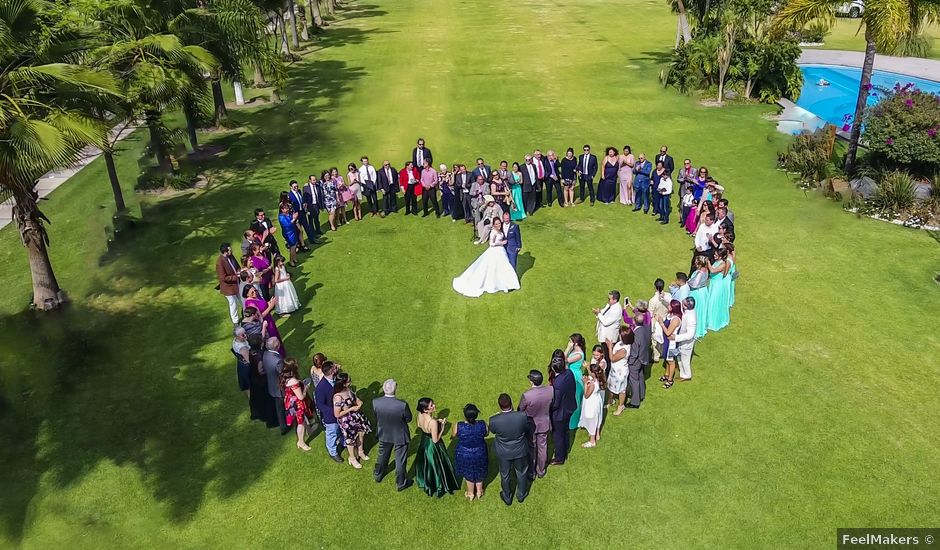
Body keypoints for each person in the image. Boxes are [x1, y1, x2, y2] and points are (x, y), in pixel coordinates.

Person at [453, 217, 520, 297]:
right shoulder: (493, 232)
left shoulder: (500, 230)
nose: (498, 225)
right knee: (494, 268)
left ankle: (507, 283)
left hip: (501, 251)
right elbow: (491, 244)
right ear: (494, 225)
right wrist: (501, 243)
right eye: (496, 224)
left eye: (499, 223)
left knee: (503, 267)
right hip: (495, 251)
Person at [488, 394, 532, 506]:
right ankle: (521, 495)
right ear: (511, 403)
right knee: (521, 472)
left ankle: (507, 497)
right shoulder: (522, 416)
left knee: (505, 474)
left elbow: (492, 431)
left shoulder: (494, 420)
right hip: (519, 450)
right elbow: (527, 428)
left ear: (499, 406)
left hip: (504, 452)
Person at [414, 397, 459, 498]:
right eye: (431, 405)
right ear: (426, 409)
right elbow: (435, 440)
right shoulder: (432, 423)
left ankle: (428, 482)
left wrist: (435, 421)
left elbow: (419, 425)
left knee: (427, 464)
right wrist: (442, 427)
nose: (434, 405)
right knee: (437, 465)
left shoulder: (420, 414)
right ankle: (439, 485)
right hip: (433, 446)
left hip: (424, 442)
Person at [373, 379, 413, 491]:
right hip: (400, 435)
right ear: (395, 389)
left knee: (382, 455)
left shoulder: (376, 402)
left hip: (384, 433)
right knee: (400, 460)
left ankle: (378, 474)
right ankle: (401, 483)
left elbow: (376, 416)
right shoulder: (402, 405)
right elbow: (409, 419)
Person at [332, 371, 373, 469]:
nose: (350, 382)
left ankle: (361, 451)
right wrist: (351, 409)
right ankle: (352, 458)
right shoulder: (338, 397)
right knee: (350, 440)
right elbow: (337, 414)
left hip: (356, 416)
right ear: (343, 383)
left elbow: (354, 398)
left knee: (361, 433)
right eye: (348, 381)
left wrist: (358, 402)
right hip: (347, 421)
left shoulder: (348, 389)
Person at [518, 369, 552, 479]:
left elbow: (520, 409)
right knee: (543, 448)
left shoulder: (527, 395)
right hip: (544, 424)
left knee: (532, 448)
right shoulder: (550, 390)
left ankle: (531, 472)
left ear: (532, 381)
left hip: (531, 425)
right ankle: (541, 471)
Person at [452, 403, 488, 500]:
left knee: (468, 473)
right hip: (480, 452)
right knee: (480, 470)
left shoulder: (459, 426)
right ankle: (479, 491)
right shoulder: (482, 424)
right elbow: (486, 433)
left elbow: (454, 435)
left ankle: (471, 493)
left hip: (464, 453)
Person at [549, 352, 576, 465]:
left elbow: (555, 403)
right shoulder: (569, 373)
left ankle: (560, 458)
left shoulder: (557, 384)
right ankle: (566, 449)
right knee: (565, 430)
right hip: (570, 406)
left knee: (558, 435)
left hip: (560, 413)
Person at [315, 361, 344, 463]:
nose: (337, 368)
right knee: (332, 434)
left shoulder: (336, 379)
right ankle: (333, 452)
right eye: (335, 368)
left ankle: (343, 443)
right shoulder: (321, 388)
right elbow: (320, 405)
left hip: (340, 411)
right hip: (330, 416)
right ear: (332, 371)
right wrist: (334, 411)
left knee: (341, 429)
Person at [280, 358, 312, 451]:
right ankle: (301, 442)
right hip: (297, 404)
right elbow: (301, 397)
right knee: (300, 423)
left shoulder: (284, 376)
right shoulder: (293, 381)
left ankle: (309, 430)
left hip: (290, 400)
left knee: (302, 420)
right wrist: (306, 388)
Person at [247, 333, 277, 427]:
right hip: (262, 382)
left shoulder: (251, 351)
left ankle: (258, 414)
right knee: (267, 401)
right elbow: (261, 370)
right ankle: (271, 420)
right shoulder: (260, 355)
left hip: (254, 379)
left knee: (257, 399)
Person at [243, 284, 283, 353]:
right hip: (264, 322)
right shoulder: (250, 304)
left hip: (269, 319)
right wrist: (270, 307)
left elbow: (263, 305)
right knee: (271, 339)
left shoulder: (256, 297)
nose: (255, 293)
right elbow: (259, 317)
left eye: (255, 290)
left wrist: (270, 302)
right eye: (252, 292)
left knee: (275, 335)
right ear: (247, 294)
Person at [262, 337, 288, 434]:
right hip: (279, 389)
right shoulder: (278, 361)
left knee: (279, 407)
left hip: (271, 385)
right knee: (283, 407)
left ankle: (282, 425)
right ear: (277, 346)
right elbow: (282, 374)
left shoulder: (266, 354)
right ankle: (284, 427)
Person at [605, 327, 633, 415]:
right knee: (610, 384)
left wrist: (609, 347)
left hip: (620, 372)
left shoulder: (624, 350)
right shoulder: (621, 343)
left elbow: (612, 358)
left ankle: (621, 406)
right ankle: (610, 400)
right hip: (614, 370)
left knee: (621, 389)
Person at [578, 362, 606, 447]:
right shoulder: (598, 379)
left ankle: (592, 441)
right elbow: (591, 374)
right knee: (598, 418)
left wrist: (585, 383)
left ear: (594, 373)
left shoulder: (592, 384)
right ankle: (597, 434)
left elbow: (586, 395)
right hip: (597, 401)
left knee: (592, 420)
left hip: (591, 403)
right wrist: (588, 368)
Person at [705, 248, 732, 333]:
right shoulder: (718, 262)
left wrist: (708, 262)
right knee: (710, 301)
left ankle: (712, 322)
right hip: (713, 284)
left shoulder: (723, 264)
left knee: (713, 302)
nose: (714, 256)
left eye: (716, 255)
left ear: (721, 257)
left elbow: (712, 270)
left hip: (717, 285)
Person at [626, 315, 650, 409]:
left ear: (634, 321)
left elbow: (635, 352)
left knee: (634, 381)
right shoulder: (646, 329)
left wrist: (630, 362)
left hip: (636, 361)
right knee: (640, 377)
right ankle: (641, 394)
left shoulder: (636, 335)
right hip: (643, 358)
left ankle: (635, 402)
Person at [217, 243, 244, 325]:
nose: (231, 250)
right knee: (233, 304)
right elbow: (223, 278)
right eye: (229, 249)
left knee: (243, 298)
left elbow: (237, 266)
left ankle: (248, 313)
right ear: (225, 252)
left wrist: (239, 271)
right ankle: (235, 321)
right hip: (228, 287)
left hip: (237, 283)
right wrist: (236, 277)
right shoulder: (220, 263)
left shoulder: (231, 256)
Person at [659, 300, 683, 389]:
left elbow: (668, 332)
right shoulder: (670, 315)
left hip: (672, 344)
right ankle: (666, 374)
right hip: (667, 341)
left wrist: (661, 323)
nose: (668, 306)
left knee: (671, 361)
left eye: (670, 305)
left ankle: (670, 380)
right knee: (666, 358)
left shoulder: (675, 319)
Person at [565, 334, 587, 430]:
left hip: (575, 377)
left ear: (576, 343)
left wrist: (567, 348)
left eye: (571, 341)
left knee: (575, 399)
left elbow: (564, 360)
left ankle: (573, 422)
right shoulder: (575, 351)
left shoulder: (579, 354)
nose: (569, 343)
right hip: (571, 374)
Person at [673, 296, 698, 381]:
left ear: (686, 306)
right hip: (682, 339)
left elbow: (690, 335)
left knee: (685, 359)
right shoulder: (688, 311)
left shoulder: (691, 318)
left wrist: (676, 337)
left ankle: (687, 375)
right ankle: (682, 372)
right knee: (680, 356)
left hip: (686, 342)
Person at [688, 256, 710, 339]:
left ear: (699, 264)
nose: (695, 263)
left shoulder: (700, 273)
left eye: (696, 262)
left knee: (696, 311)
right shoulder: (706, 270)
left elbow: (694, 284)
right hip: (703, 291)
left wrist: (687, 282)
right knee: (701, 310)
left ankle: (696, 329)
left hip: (697, 293)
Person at [287, 180, 314, 245]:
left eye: (297, 186)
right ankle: (300, 243)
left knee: (307, 227)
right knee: (298, 230)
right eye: (294, 187)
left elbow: (301, 200)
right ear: (291, 187)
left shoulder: (299, 191)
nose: (296, 188)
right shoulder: (289, 195)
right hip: (296, 214)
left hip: (302, 212)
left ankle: (312, 240)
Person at [232, 326, 251, 397]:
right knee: (249, 385)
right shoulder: (242, 348)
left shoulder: (236, 340)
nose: (245, 335)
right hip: (246, 367)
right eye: (243, 335)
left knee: (247, 385)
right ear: (237, 336)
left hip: (241, 364)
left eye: (245, 333)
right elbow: (249, 360)